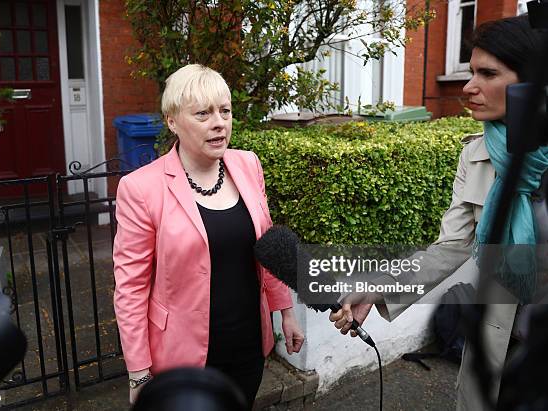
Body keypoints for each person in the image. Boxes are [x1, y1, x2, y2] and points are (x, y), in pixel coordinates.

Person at [329, 15, 548, 411]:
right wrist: (377, 288)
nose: (468, 87)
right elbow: (448, 249)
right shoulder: (476, 155)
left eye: (487, 73)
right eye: (469, 72)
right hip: (495, 350)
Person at [113, 64, 304, 408]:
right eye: (203, 113)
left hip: (248, 347)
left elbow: (268, 244)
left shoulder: (248, 164)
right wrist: (139, 371)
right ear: (172, 121)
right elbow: (130, 288)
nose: (219, 122)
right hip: (182, 357)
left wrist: (285, 312)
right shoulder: (140, 188)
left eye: (225, 111)